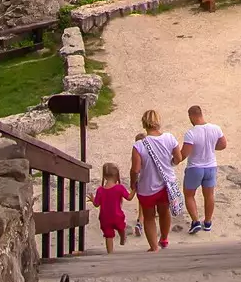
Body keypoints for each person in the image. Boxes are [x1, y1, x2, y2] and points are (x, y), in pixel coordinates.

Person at [129, 110, 183, 251]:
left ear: (144, 123)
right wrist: (170, 163)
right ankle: (164, 239)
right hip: (166, 185)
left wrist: (133, 183)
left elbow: (135, 169)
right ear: (159, 121)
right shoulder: (170, 138)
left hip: (147, 187)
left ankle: (153, 247)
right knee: (164, 212)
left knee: (149, 217)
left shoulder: (139, 146)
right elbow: (178, 158)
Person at [180, 105, 227, 234]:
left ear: (192, 116)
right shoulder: (215, 128)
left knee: (189, 195)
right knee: (209, 195)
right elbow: (223, 144)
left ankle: (195, 221)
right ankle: (207, 222)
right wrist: (211, 147)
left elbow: (185, 153)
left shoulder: (191, 133)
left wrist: (175, 160)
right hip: (211, 166)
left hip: (195, 167)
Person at [91, 163, 131, 252]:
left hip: (104, 218)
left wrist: (93, 199)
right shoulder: (120, 187)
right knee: (121, 227)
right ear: (117, 176)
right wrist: (135, 190)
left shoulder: (100, 190)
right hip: (117, 216)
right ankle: (122, 238)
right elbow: (129, 198)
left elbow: (96, 204)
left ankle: (110, 253)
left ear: (104, 176)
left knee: (108, 236)